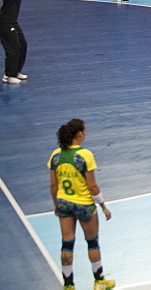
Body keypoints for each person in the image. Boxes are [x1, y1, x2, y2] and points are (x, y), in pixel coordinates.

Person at [48, 118, 114, 290]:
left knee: (67, 244)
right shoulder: (85, 155)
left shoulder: (55, 155)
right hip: (84, 205)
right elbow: (92, 186)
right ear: (79, 134)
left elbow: (53, 185)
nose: (85, 134)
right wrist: (103, 206)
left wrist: (57, 204)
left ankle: (68, 285)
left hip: (64, 204)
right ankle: (99, 281)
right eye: (84, 131)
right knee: (92, 242)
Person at [1, 0, 41, 84]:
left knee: (23, 46)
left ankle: (16, 71)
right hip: (4, 23)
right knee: (13, 49)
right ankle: (8, 75)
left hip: (13, 22)